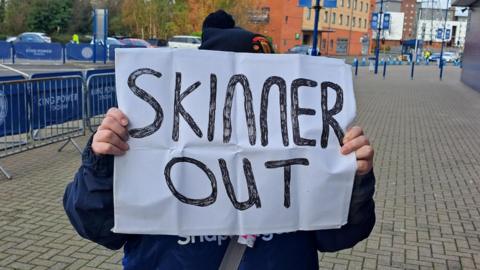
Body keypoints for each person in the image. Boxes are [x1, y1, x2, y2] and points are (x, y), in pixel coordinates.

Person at [64, 10, 376, 270]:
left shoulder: (308, 142)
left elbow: (339, 237)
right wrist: (101, 162)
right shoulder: (139, 137)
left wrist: (354, 180)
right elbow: (94, 226)